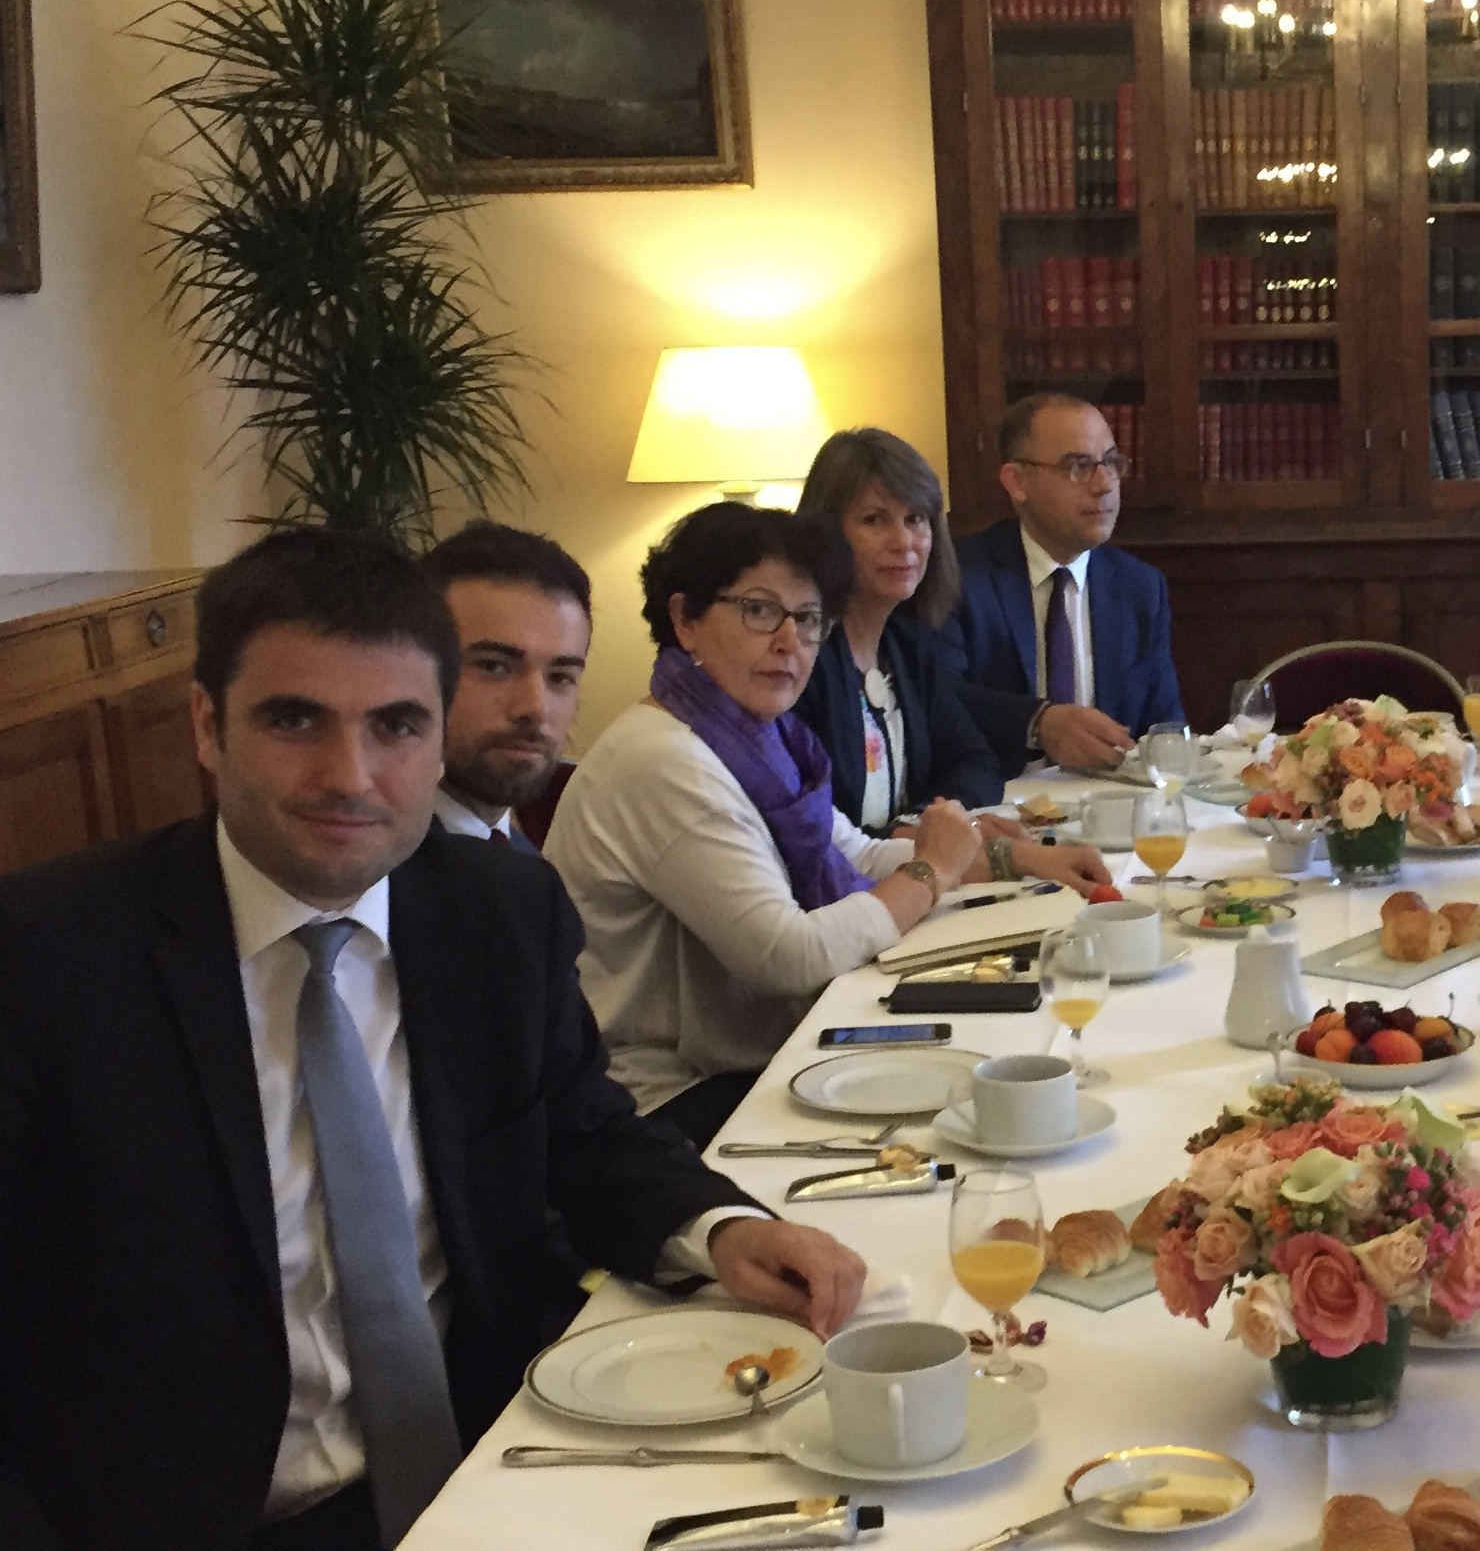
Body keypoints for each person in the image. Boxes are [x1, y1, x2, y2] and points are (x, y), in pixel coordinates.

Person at [0, 529, 866, 1551]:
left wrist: (722, 1229)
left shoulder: (494, 907)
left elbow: (580, 1133)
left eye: (397, 725)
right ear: (206, 723)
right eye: (294, 719)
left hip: (499, 1466)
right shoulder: (48, 958)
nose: (350, 776)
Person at [545, 503, 1108, 1147]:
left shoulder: (758, 738)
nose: (790, 642)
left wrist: (1015, 860)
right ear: (685, 619)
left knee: (1000, 1065)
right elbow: (790, 957)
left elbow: (857, 856)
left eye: (809, 620)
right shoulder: (663, 759)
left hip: (750, 1054)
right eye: (759, 611)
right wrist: (930, 872)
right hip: (662, 1105)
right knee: (970, 1116)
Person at [936, 393, 1187, 775]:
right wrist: (1037, 723)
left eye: (1111, 463)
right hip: (997, 808)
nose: (1104, 485)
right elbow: (937, 698)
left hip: (1111, 809)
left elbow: (1166, 728)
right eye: (1078, 466)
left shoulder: (1138, 588)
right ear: (1017, 481)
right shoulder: (959, 577)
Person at [793, 428, 1008, 820]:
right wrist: (914, 842)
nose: (904, 541)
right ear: (826, 531)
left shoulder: (905, 648)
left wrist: (927, 821)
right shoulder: (800, 658)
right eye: (875, 520)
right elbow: (815, 828)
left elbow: (976, 763)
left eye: (915, 518)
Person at [415, 521, 593, 848]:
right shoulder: (362, 876)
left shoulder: (526, 864)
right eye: (494, 667)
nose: (535, 707)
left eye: (559, 677)